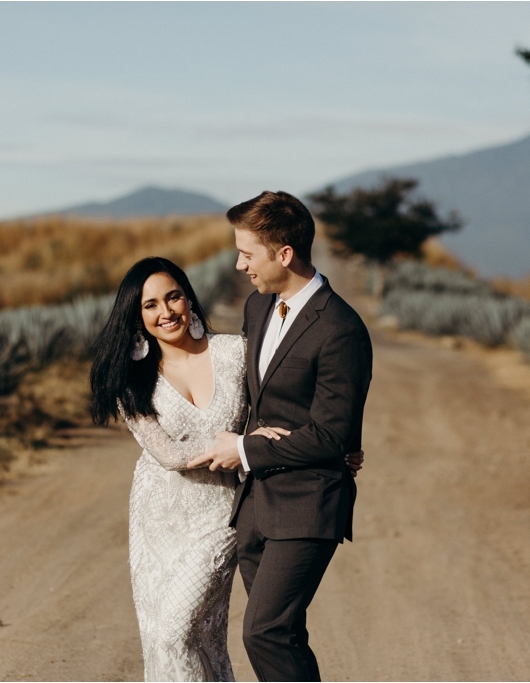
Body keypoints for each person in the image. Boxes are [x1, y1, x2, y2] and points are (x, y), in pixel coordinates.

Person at [90, 256, 364, 682]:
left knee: (176, 632)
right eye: (150, 305)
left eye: (173, 296)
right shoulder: (132, 378)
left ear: (189, 298)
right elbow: (167, 454)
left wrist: (338, 445)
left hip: (222, 514)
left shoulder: (234, 353)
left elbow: (288, 397)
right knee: (165, 635)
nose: (166, 312)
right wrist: (246, 444)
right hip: (157, 517)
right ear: (136, 316)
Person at [189, 191, 373, 682]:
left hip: (308, 506)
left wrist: (246, 448)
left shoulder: (341, 329)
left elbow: (332, 436)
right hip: (256, 506)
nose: (238, 264)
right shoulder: (258, 308)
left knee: (265, 632)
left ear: (283, 254)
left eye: (248, 253)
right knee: (282, 636)